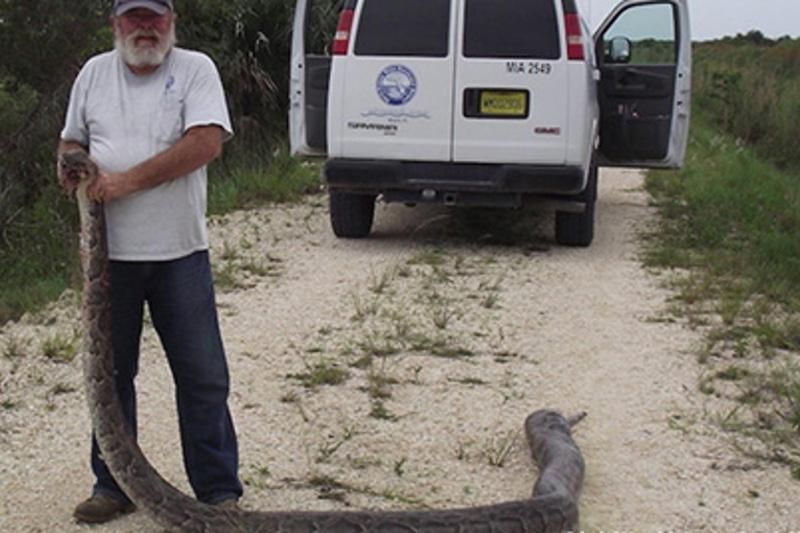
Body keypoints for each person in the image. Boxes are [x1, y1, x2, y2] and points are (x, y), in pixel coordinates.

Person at [58, 0, 243, 524]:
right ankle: (112, 483)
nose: (145, 28)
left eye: (154, 17)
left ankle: (217, 491)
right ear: (116, 24)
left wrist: (123, 182)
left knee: (203, 374)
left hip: (179, 252)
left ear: (171, 22)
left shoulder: (195, 69)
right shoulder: (94, 73)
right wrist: (69, 164)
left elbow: (205, 144)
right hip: (108, 259)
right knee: (110, 373)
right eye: (134, 18)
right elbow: (72, 140)